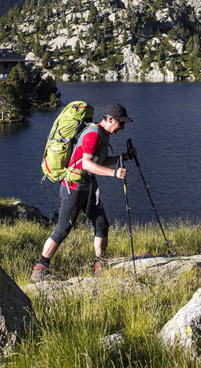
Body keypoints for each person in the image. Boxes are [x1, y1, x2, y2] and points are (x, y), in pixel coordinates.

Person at [31, 103, 136, 281]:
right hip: (74, 188)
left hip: (88, 186)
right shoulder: (93, 134)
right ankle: (40, 269)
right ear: (110, 119)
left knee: (102, 224)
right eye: (121, 123)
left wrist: (123, 158)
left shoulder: (103, 134)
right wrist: (114, 173)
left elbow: (99, 160)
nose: (123, 127)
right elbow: (85, 164)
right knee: (62, 230)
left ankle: (100, 264)